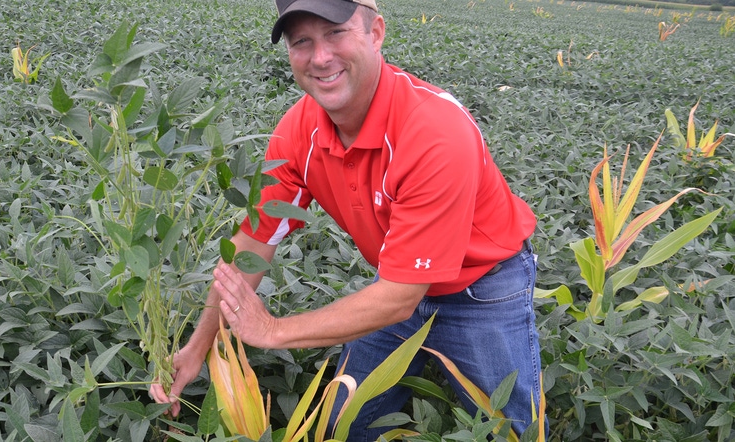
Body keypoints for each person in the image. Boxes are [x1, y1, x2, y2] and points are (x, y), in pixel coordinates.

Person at [150, 0, 546, 439]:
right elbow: (254, 244)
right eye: (302, 41)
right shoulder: (298, 130)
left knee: (512, 430)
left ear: (376, 32)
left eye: (336, 32)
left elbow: (399, 299)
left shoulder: (434, 132)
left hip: (482, 287)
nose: (320, 57)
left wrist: (275, 330)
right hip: (396, 282)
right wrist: (196, 346)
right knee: (340, 425)